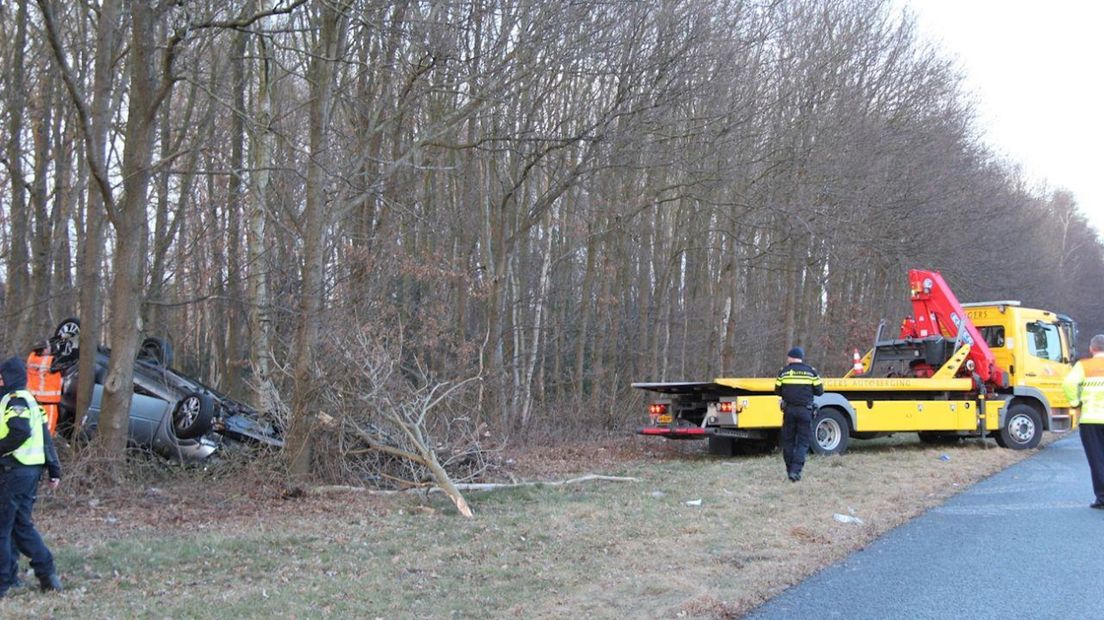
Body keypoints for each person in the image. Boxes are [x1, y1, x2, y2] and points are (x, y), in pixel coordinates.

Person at [0, 356, 62, 596]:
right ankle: (46, 574)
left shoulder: (15, 401)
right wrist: (54, 469)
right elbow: (45, 438)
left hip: (14, 470)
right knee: (20, 527)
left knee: (4, 528)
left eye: (2, 376)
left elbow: (20, 432)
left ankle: (4, 581)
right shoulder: (30, 400)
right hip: (28, 471)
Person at [1063, 334, 1104, 509]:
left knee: (1097, 459)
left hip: (1091, 419)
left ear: (1091, 349)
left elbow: (1069, 384)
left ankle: (1102, 498)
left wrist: (1075, 402)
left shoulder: (1084, 366)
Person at [774, 346, 824, 482]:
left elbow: (777, 390)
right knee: (802, 442)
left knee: (788, 441)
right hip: (805, 411)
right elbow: (820, 391)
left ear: (791, 358)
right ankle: (795, 471)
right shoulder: (811, 372)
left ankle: (790, 470)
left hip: (789, 411)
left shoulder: (783, 372)